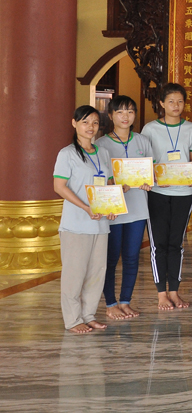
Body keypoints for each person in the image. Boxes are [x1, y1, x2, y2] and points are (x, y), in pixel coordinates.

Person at [54, 105, 117, 333]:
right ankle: (73, 320)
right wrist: (86, 207)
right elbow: (59, 187)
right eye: (85, 122)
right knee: (74, 274)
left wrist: (112, 206)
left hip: (100, 224)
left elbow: (108, 183)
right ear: (74, 123)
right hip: (76, 224)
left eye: (95, 123)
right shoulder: (67, 154)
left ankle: (88, 315)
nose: (90, 127)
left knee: (96, 273)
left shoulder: (103, 152)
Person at [141, 82, 192, 311]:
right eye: (171, 101)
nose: (176, 106)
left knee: (176, 244)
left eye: (180, 101)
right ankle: (161, 294)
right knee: (159, 245)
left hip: (183, 193)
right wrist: (154, 176)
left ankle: (174, 292)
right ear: (162, 104)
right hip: (157, 193)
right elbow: (145, 161)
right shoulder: (150, 129)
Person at [96, 95, 153, 320]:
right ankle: (110, 303)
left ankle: (126, 301)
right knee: (110, 259)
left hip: (138, 208)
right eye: (119, 112)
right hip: (113, 210)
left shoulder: (142, 141)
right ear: (111, 116)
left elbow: (151, 170)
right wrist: (113, 184)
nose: (125, 116)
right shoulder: (101, 144)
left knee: (131, 257)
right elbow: (99, 178)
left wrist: (149, 182)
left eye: (129, 111)